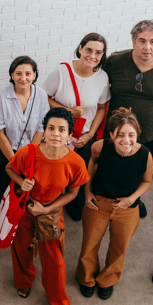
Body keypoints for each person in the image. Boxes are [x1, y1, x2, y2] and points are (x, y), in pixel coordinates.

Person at [8, 107, 90, 305]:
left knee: (54, 258)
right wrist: (21, 182)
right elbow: (10, 169)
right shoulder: (28, 152)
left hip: (51, 212)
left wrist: (47, 209)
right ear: (43, 131)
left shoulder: (76, 162)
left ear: (70, 135)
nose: (56, 133)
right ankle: (24, 282)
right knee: (22, 249)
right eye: (51, 128)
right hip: (26, 209)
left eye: (62, 130)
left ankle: (58, 299)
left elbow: (73, 193)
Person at [103, 19, 153, 217]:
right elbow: (101, 87)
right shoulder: (115, 61)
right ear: (133, 41)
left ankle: (134, 199)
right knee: (111, 164)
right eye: (141, 40)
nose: (147, 47)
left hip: (149, 131)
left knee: (139, 169)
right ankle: (108, 198)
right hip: (115, 130)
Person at [76, 108, 153, 300]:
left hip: (127, 208)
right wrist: (87, 191)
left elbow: (146, 181)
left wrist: (131, 199)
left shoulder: (145, 155)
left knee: (119, 247)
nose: (126, 140)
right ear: (111, 135)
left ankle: (107, 280)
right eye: (120, 135)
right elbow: (92, 164)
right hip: (98, 204)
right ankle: (86, 278)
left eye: (131, 135)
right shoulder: (99, 147)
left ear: (138, 134)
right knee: (89, 244)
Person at [43, 33, 112, 221]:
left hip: (83, 136)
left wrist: (90, 135)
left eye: (98, 52)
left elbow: (100, 108)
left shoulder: (102, 77)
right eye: (89, 49)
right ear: (80, 48)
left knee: (79, 173)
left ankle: (74, 205)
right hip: (60, 135)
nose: (93, 55)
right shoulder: (61, 71)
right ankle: (51, 204)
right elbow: (44, 98)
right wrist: (67, 110)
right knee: (56, 172)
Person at [0, 55, 50, 224]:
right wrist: (14, 160)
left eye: (28, 74)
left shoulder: (41, 95)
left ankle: (19, 217)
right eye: (19, 73)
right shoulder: (1, 95)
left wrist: (29, 158)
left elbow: (41, 128)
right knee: (1, 188)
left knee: (26, 187)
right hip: (4, 149)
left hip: (30, 149)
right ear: (12, 75)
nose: (24, 78)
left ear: (35, 75)